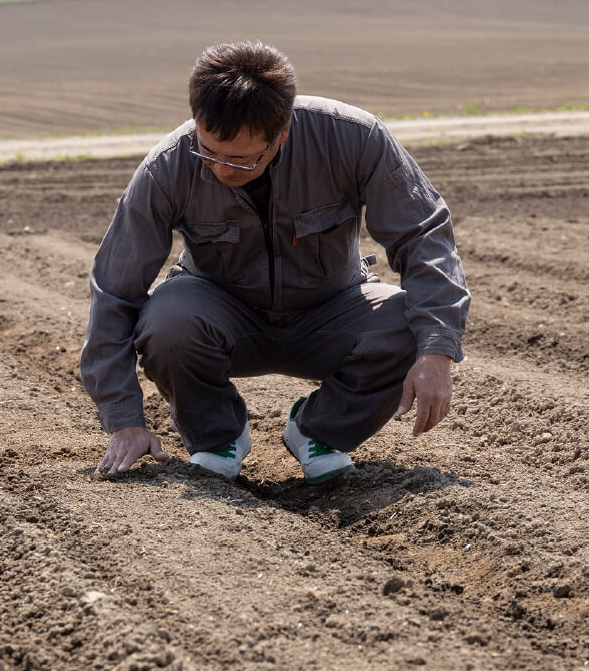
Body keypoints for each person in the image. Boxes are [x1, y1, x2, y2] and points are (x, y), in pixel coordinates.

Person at [80, 41, 470, 482]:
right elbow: (115, 286)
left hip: (333, 308)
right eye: (208, 150)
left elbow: (423, 235)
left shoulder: (354, 138)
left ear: (281, 132)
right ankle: (217, 434)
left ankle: (318, 430)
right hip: (219, 314)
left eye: (240, 159)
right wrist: (124, 420)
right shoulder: (167, 167)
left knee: (406, 325)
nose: (218, 169)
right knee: (166, 321)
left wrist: (437, 351)